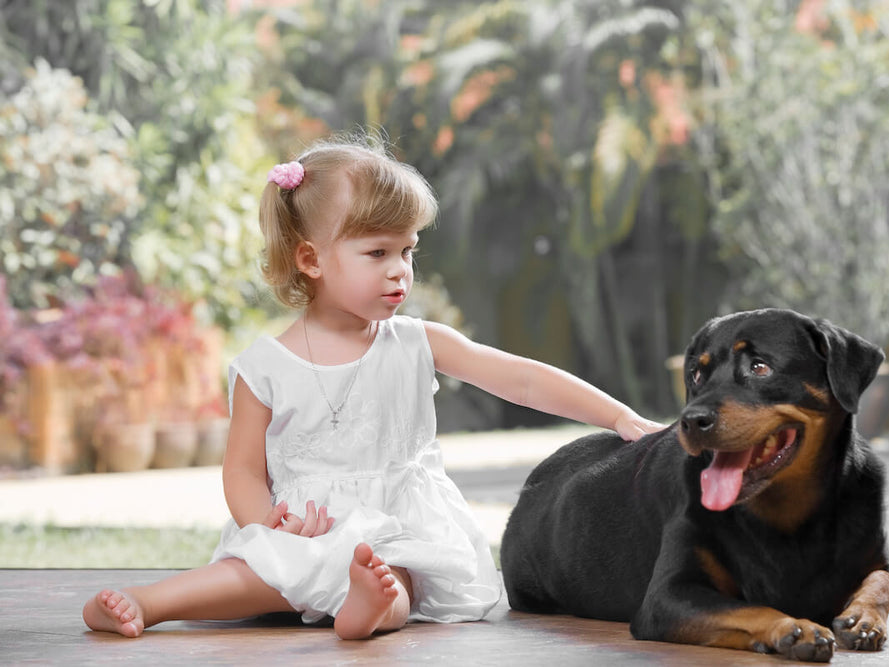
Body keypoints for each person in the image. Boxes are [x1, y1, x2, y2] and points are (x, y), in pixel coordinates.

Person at [82, 134, 663, 641]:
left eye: (407, 250)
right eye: (378, 253)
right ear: (310, 259)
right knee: (263, 569)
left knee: (398, 572)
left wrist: (618, 416)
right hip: (303, 524)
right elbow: (241, 472)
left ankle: (372, 610)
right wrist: (268, 522)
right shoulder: (263, 368)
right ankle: (150, 603)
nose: (400, 269)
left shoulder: (414, 341)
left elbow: (523, 378)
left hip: (400, 524)